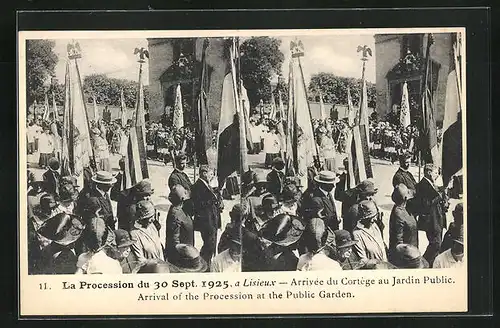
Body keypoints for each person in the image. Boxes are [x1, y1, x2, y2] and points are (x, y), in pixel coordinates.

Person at [414, 163, 448, 267]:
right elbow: (425, 204)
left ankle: (432, 264)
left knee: (438, 243)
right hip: (431, 221)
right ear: (429, 172)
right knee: (436, 244)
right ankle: (423, 263)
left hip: (437, 219)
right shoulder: (422, 185)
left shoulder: (430, 184)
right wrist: (439, 196)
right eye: (435, 173)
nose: (437, 175)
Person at [191, 165, 223, 266]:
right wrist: (212, 200)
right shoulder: (197, 186)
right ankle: (204, 264)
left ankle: (207, 263)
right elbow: (198, 205)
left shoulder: (207, 184)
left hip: (212, 220)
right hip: (206, 222)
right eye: (211, 174)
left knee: (212, 244)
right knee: (209, 245)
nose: (212, 176)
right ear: (204, 173)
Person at [352, 200, 388, 269]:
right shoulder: (357, 233)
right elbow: (363, 260)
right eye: (370, 218)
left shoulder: (374, 226)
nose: (373, 220)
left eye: (374, 216)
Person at [388, 184, 418, 262]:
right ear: (405, 198)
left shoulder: (403, 208)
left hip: (411, 249)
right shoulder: (399, 213)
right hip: (406, 255)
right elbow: (399, 240)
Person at [165, 185, 194, 260]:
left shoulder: (178, 209)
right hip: (182, 256)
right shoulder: (175, 214)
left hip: (186, 250)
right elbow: (175, 240)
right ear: (182, 198)